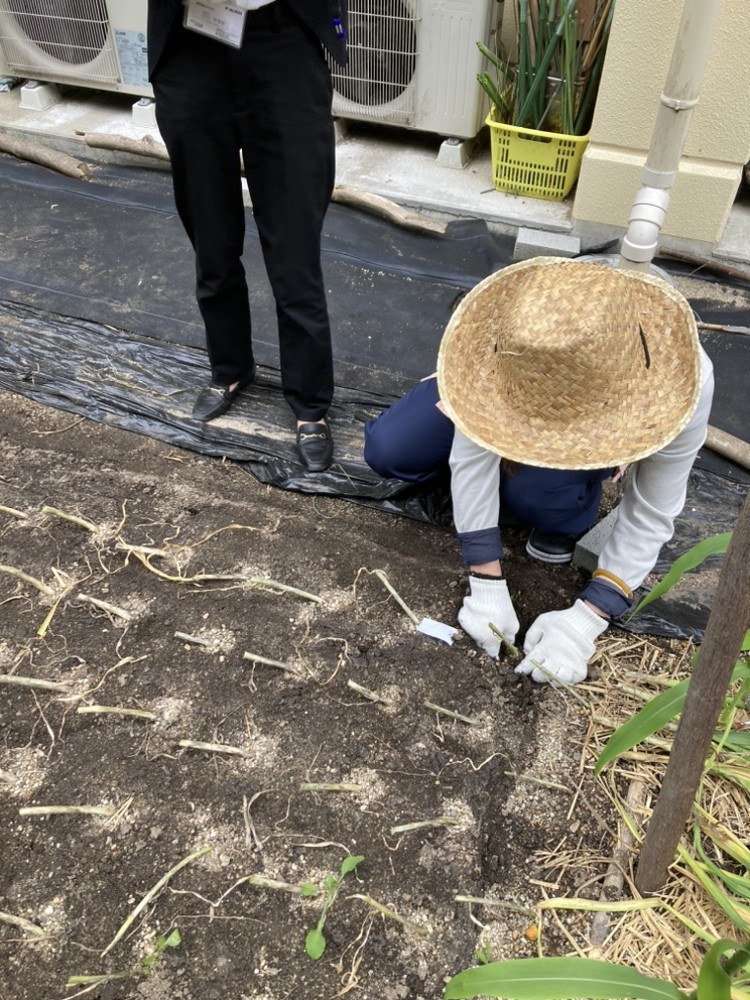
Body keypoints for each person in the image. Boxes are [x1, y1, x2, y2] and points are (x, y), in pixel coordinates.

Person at [364, 257, 715, 686]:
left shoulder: (684, 383)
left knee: (541, 496)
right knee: (391, 448)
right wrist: (485, 580)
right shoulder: (521, 330)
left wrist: (588, 619)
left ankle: (561, 508)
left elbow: (652, 511)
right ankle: (506, 474)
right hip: (512, 374)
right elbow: (471, 454)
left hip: (591, 411)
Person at [146, 0, 348, 472]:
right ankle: (230, 367)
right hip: (191, 43)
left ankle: (310, 403)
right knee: (210, 236)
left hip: (282, 42)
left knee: (295, 249)